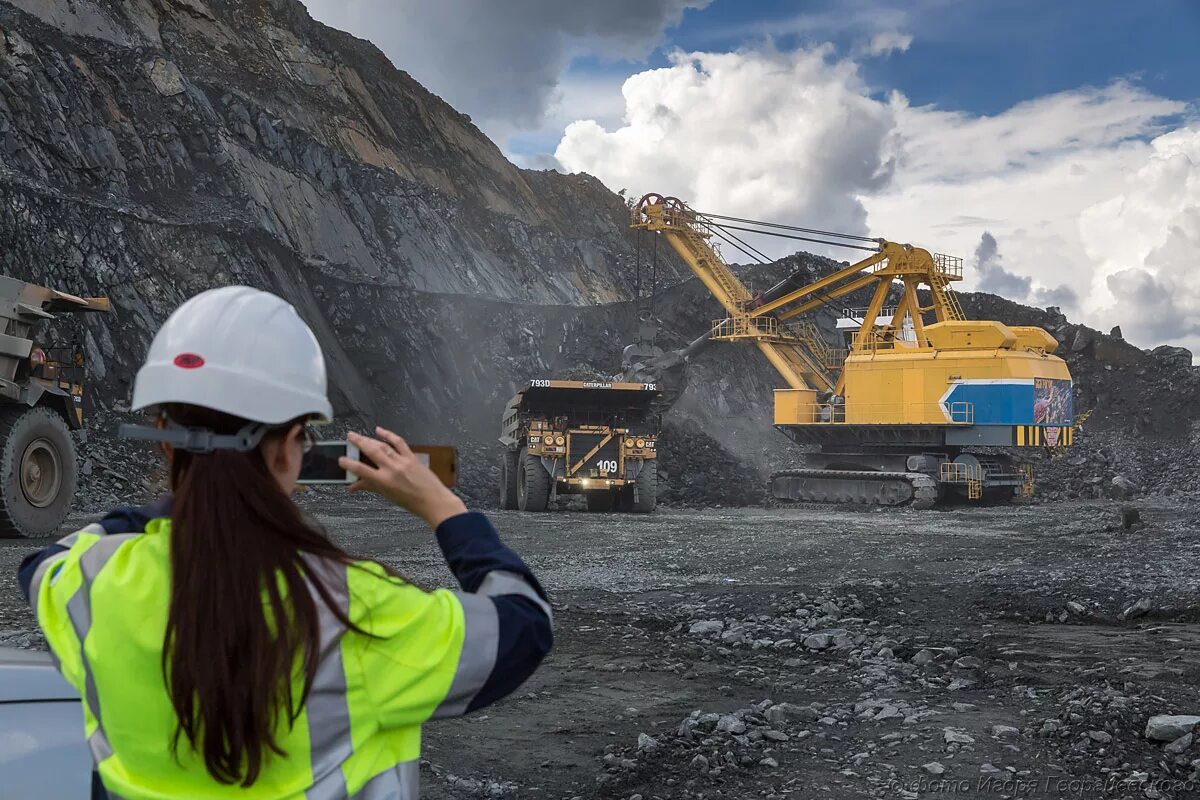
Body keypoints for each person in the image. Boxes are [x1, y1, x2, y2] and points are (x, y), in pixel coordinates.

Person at [17, 286, 553, 799]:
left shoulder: (91, 581)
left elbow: (46, 563)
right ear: (289, 448)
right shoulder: (350, 607)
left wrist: (186, 493)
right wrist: (442, 507)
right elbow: (524, 622)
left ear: (163, 437)